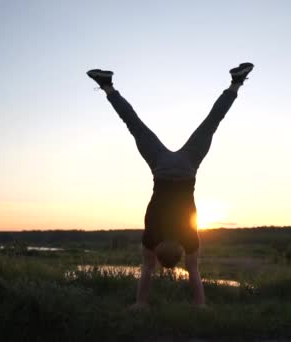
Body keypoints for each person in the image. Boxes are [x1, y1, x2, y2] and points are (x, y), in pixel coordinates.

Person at [87, 63, 254, 307]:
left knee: (211, 123)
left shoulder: (189, 239)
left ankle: (236, 82)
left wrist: (201, 305)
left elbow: (193, 271)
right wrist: (140, 303)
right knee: (134, 124)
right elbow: (147, 268)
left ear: (180, 252)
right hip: (161, 168)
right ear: (157, 251)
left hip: (187, 168)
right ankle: (107, 86)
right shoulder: (151, 236)